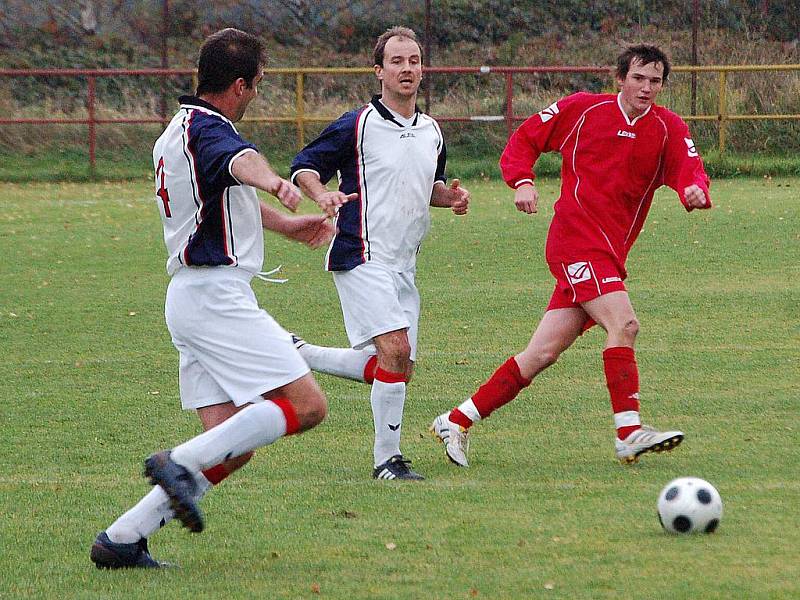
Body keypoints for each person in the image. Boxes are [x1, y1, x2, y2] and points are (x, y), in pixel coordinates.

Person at [90, 28, 338, 569]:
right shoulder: (212, 129)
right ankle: (175, 461)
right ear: (242, 84)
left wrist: (286, 226)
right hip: (215, 297)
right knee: (308, 405)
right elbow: (241, 162)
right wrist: (275, 183)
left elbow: (218, 199)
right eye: (257, 86)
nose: (255, 97)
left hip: (188, 297)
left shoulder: (174, 132)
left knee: (234, 442)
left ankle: (122, 539)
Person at [431, 44, 712, 467]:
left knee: (541, 354)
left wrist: (696, 193)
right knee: (626, 324)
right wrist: (522, 181)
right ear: (620, 78)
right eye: (638, 78)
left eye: (655, 81)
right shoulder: (582, 110)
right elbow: (526, 137)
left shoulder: (669, 128)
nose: (646, 87)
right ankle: (628, 431)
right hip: (575, 242)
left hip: (609, 253)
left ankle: (456, 420)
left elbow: (691, 171)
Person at [289, 26, 470, 481]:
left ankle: (302, 355)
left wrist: (449, 198)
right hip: (359, 254)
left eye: (413, 61)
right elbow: (304, 166)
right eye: (397, 62)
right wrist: (320, 195)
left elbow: (429, 188)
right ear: (379, 71)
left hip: (404, 263)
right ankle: (386, 461)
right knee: (396, 348)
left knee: (396, 367)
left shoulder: (432, 131)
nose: (406, 69)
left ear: (422, 69)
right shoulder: (356, 124)